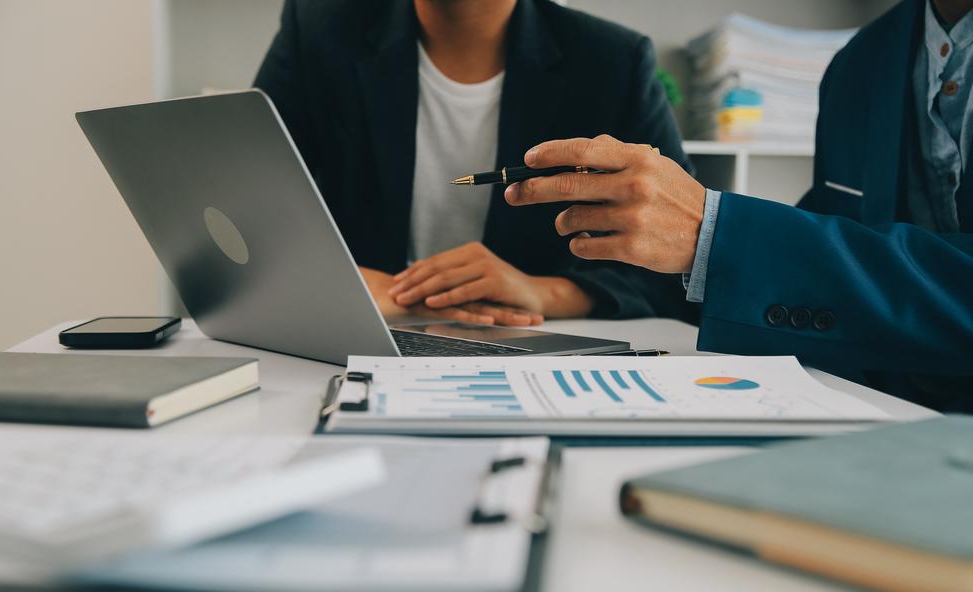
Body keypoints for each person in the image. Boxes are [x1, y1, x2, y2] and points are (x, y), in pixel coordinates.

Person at [503, 0, 973, 411]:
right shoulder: (863, 60)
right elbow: (831, 276)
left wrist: (718, 235)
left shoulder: (613, 56)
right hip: (871, 419)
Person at [254, 0, 698, 327]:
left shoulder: (613, 61)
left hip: (535, 339)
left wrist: (543, 292)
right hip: (360, 327)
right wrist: (357, 283)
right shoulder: (315, 29)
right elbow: (250, 207)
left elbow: (679, 258)